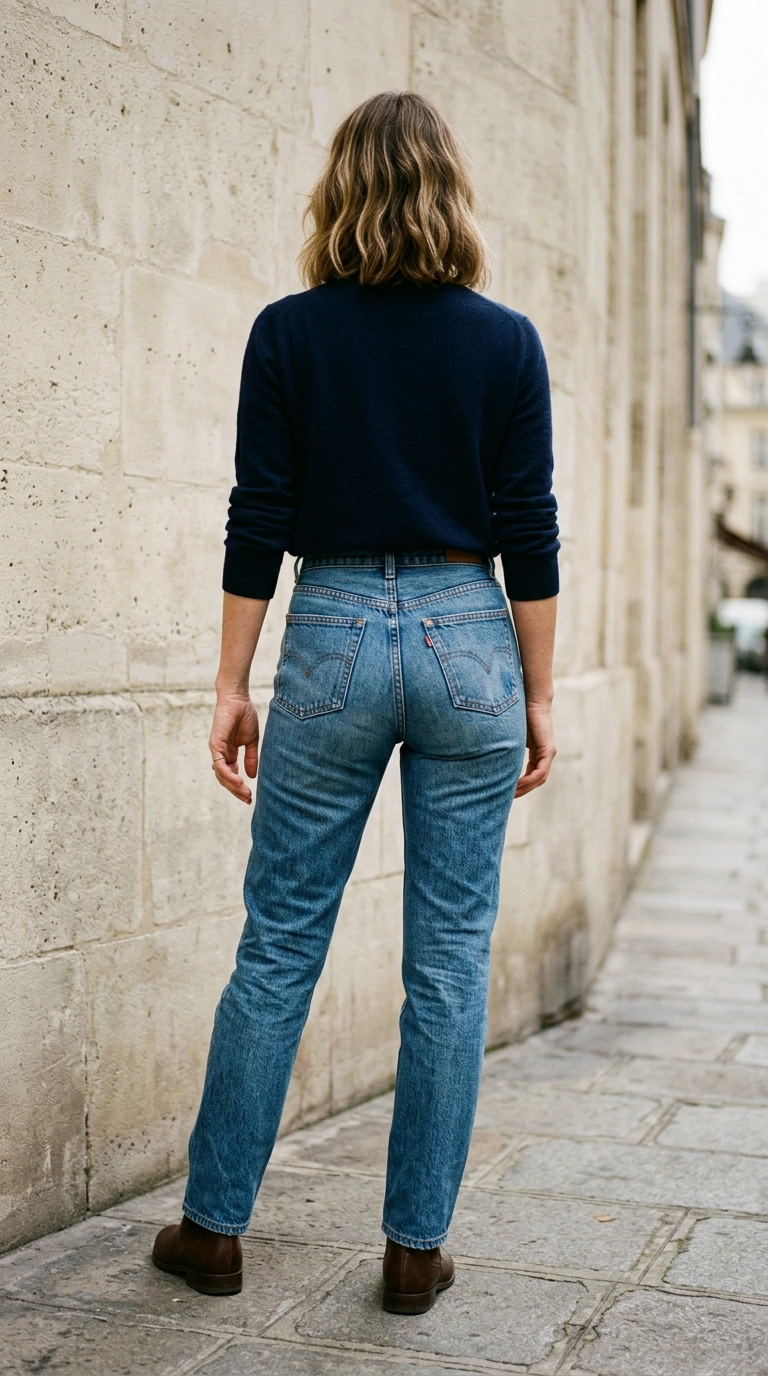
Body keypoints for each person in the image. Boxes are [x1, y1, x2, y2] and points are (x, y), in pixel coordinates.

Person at [152, 90, 559, 1315]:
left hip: (328, 628)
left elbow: (257, 515)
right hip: (468, 633)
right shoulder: (507, 343)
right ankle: (414, 1248)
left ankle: (215, 1228)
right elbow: (529, 531)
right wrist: (539, 692)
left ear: (339, 191)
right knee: (448, 962)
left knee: (277, 941)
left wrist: (233, 678)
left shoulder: (288, 334)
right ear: (450, 191)